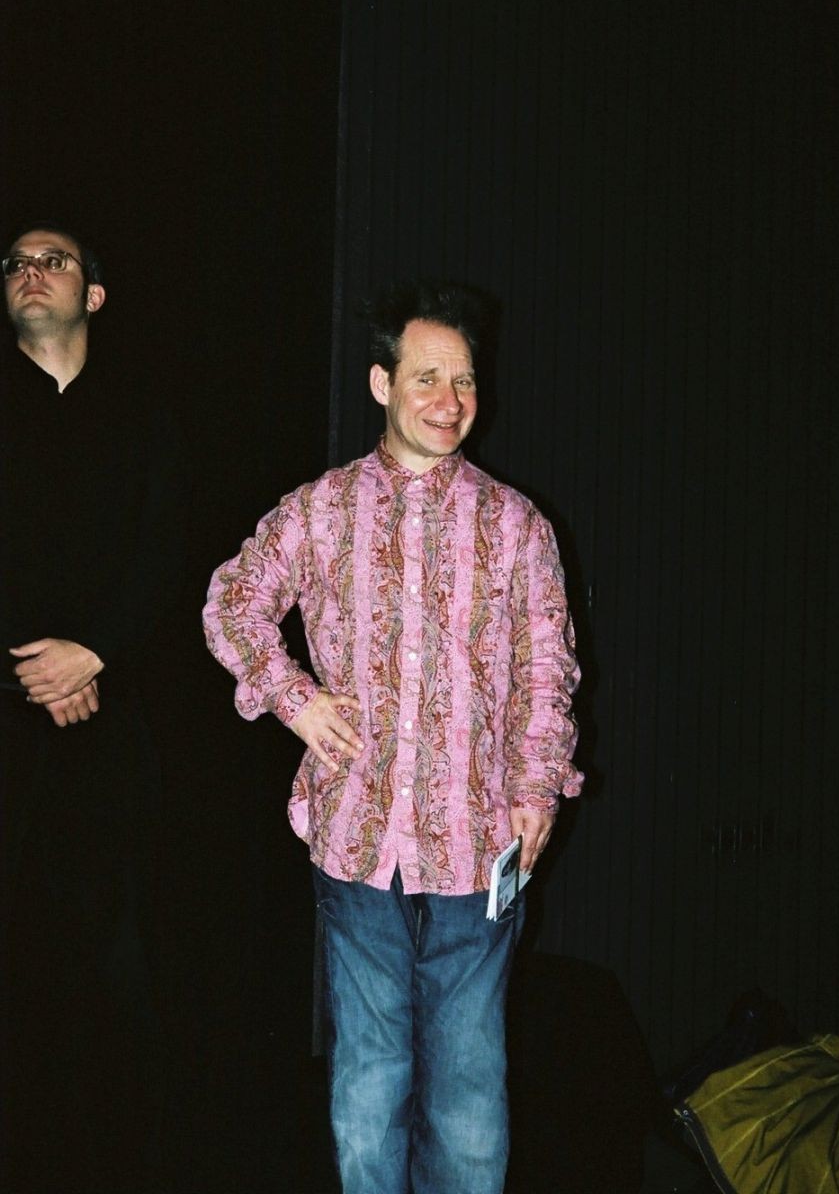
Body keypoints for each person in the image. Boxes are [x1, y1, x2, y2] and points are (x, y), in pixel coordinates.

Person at [203, 280, 582, 1194]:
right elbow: (232, 604)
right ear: (381, 384)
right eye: (427, 378)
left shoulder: (516, 525)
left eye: (465, 380)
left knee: (470, 1105)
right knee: (367, 1092)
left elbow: (548, 670)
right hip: (356, 837)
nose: (450, 401)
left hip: (477, 845)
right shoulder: (321, 510)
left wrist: (537, 790)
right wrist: (295, 700)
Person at [0, 220, 183, 1193]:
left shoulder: (143, 416)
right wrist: (34, 670)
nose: (31, 273)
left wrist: (94, 654)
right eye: (16, 264)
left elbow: (168, 548)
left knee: (110, 974)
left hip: (107, 727)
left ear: (94, 295)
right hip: (6, 716)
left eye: (54, 260)